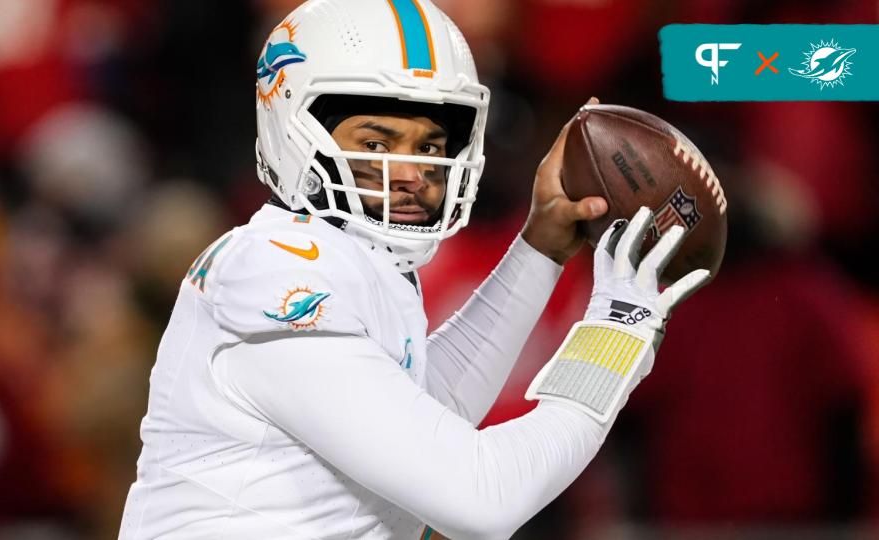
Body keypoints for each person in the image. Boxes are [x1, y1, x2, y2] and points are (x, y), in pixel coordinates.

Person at [118, 1, 710, 538]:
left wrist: (539, 249)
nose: (411, 172)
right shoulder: (272, 271)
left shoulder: (345, 257)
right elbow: (483, 500)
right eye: (377, 143)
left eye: (428, 146)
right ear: (294, 130)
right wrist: (614, 339)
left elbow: (430, 409)